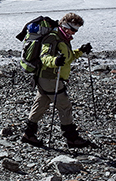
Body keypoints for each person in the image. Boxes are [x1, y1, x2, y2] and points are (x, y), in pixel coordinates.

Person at [21, 12, 93, 148]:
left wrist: (81, 51)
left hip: (47, 78)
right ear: (65, 25)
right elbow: (44, 57)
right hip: (51, 78)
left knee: (41, 104)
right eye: (73, 29)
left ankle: (28, 134)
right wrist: (55, 61)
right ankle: (71, 138)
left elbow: (68, 59)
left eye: (76, 30)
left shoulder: (63, 38)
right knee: (64, 106)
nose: (74, 32)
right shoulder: (52, 38)